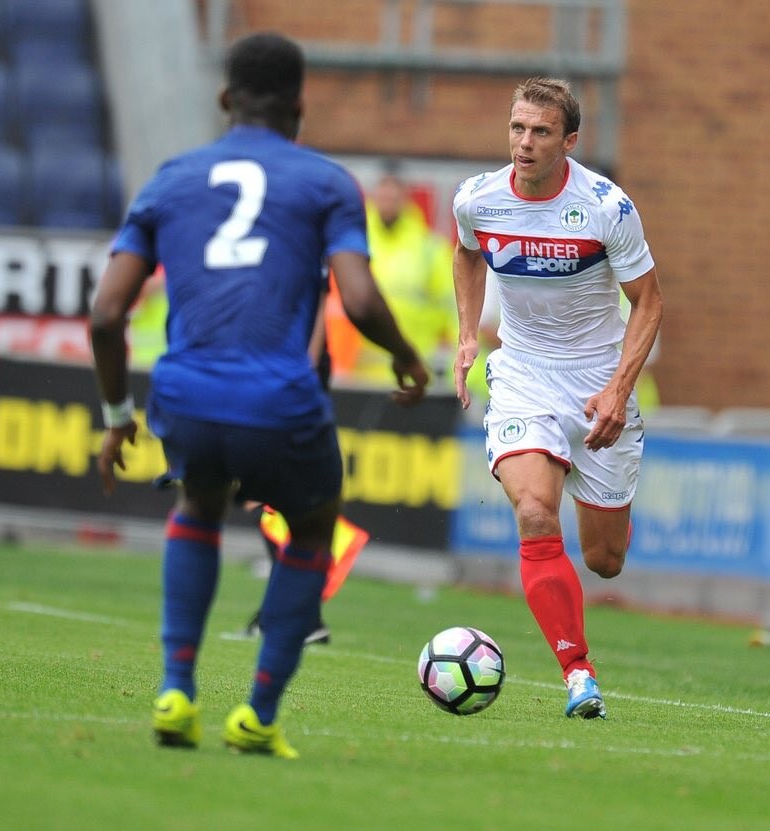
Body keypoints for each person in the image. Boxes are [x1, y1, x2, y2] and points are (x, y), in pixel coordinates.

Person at [89, 31, 429, 759]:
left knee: (198, 503)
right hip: (279, 397)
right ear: (300, 105)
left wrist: (117, 417)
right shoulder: (325, 182)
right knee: (311, 528)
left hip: (185, 394)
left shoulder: (172, 177)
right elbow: (361, 299)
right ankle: (258, 713)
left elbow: (105, 313)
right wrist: (404, 356)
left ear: (224, 99)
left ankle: (176, 688)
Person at [451, 77, 662, 719]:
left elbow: (649, 302)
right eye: (517, 128)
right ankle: (578, 674)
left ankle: (599, 510)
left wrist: (618, 391)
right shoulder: (478, 200)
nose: (525, 142)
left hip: (598, 379)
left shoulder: (606, 207)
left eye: (541, 131)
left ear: (569, 140)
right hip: (523, 374)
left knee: (604, 560)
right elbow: (466, 254)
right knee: (537, 514)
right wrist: (466, 334)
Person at [350, 164, 457, 387]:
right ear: (373, 194)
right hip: (355, 377)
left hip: (413, 374)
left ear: (406, 196)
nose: (388, 196)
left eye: (395, 189)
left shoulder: (431, 250)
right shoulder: (354, 244)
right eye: (383, 188)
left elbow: (455, 316)